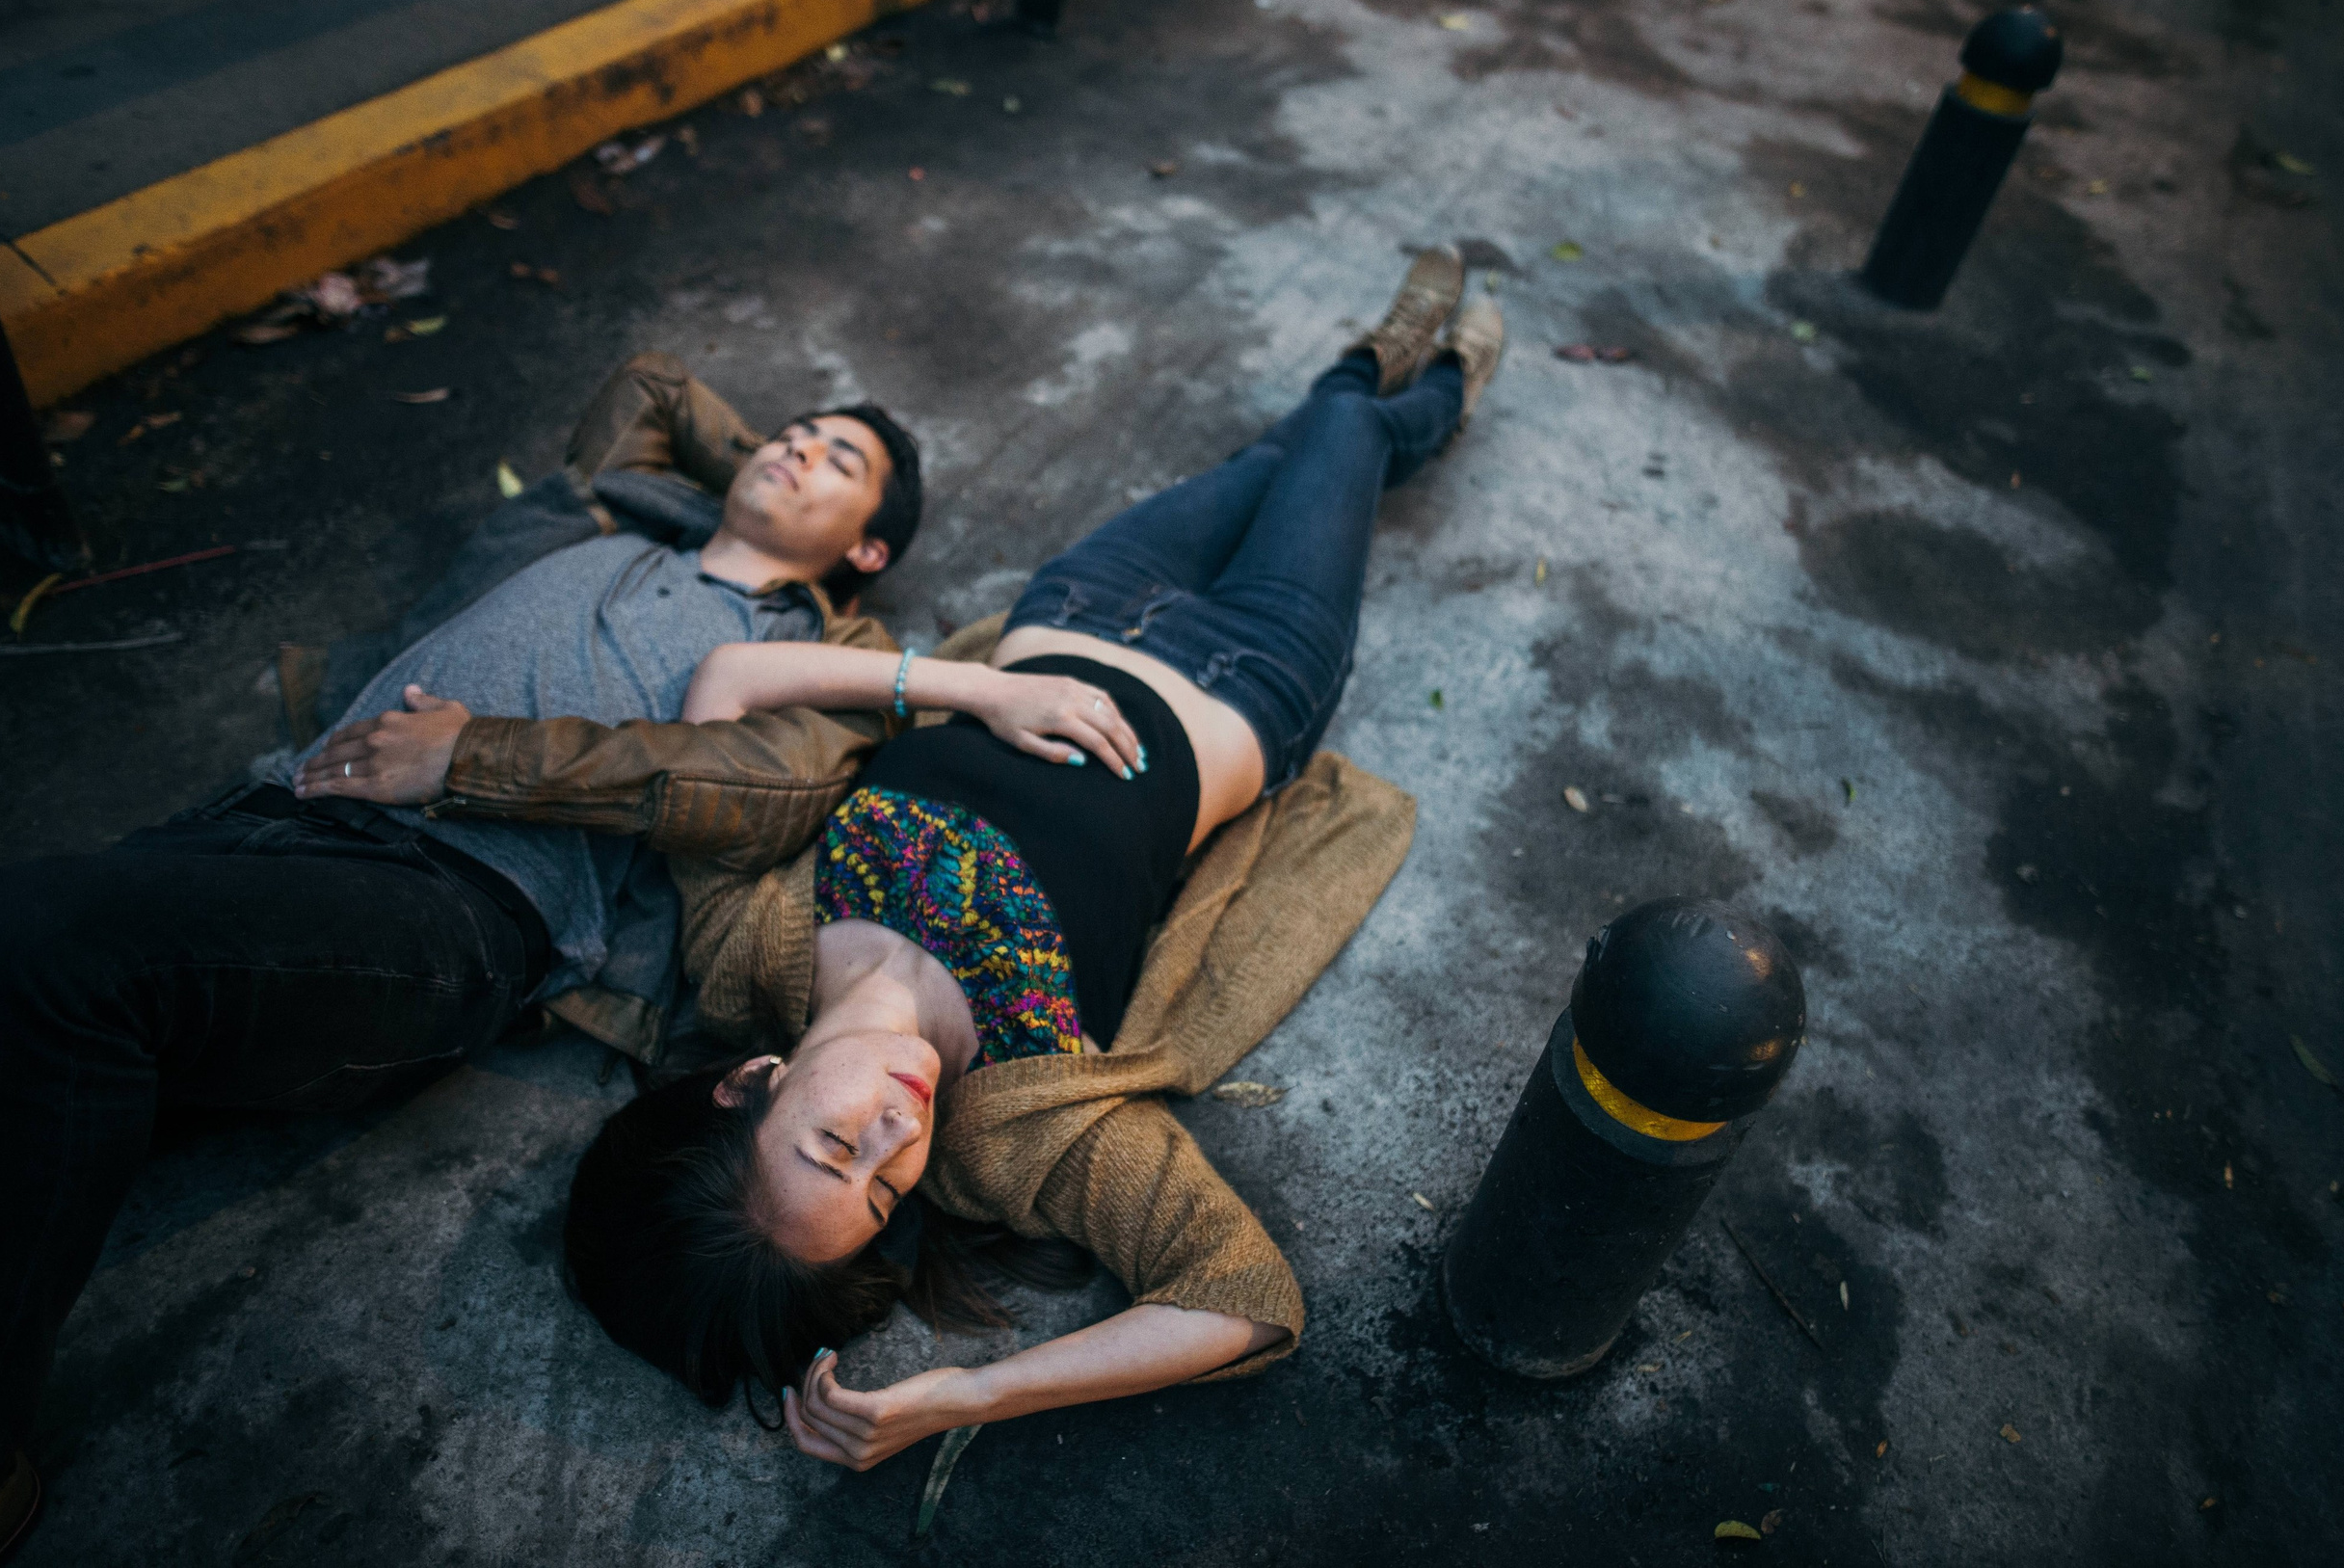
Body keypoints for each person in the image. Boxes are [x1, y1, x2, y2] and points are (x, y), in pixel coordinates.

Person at [298, 247, 1505, 1471]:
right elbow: (1244, 1292)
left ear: (750, 1079)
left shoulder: (742, 946)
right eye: (882, 1193)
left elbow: (728, 684)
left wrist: (967, 684)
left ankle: (1385, 371)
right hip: (1256, 670)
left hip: (1077, 606)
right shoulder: (1013, 1132)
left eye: (834, 1143)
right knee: (1337, 440)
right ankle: (1429, 373)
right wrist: (968, 1393)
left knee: (1267, 461)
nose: (894, 1136)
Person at [0, 356, 923, 1568]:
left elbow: (759, 793)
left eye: (839, 464)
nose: (791, 449)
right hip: (271, 817)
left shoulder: (815, 655)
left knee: (32, 941)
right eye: (789, 431)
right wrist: (773, 470)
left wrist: (475, 757)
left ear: (869, 550)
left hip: (454, 900)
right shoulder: (621, 512)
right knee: (16, 1034)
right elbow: (652, 385)